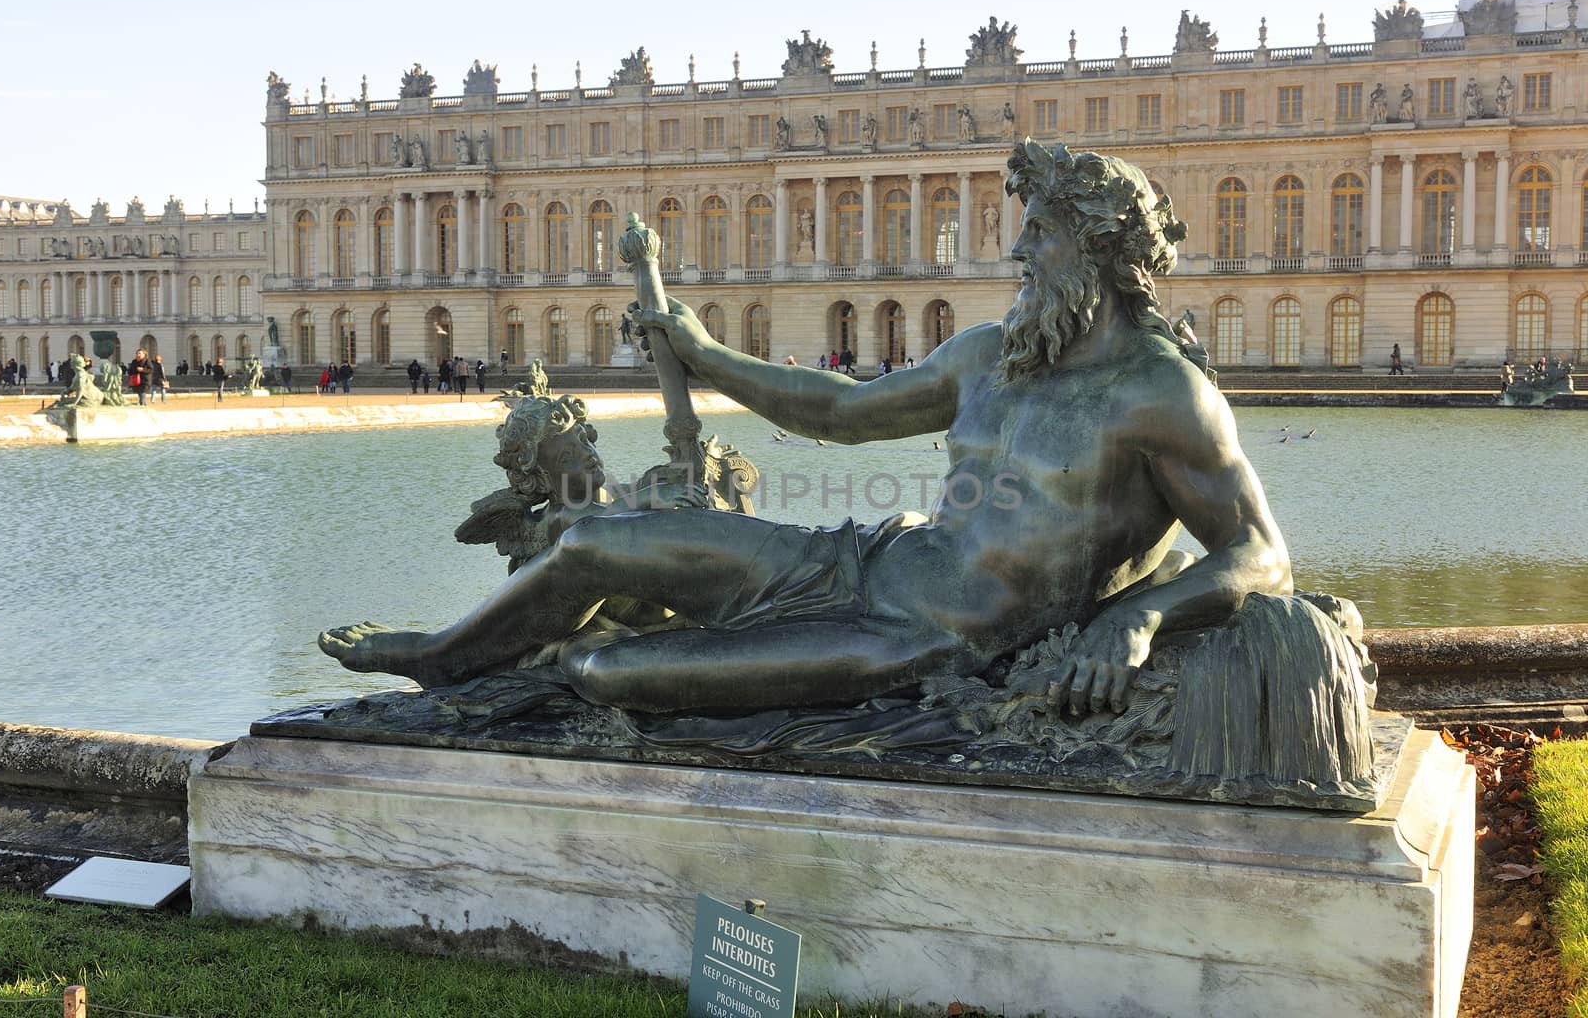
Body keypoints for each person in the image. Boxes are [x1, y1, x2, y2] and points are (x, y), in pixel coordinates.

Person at [322, 141, 1291, 721]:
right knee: (590, 541)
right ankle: (439, 657)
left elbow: (1258, 552)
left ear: (1098, 245)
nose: (1017, 247)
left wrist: (1138, 614)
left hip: (921, 638)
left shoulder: (1160, 392)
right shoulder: (991, 352)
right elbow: (836, 410)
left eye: (1039, 230)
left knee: (601, 668)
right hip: (857, 560)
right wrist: (700, 349)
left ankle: (530, 672)